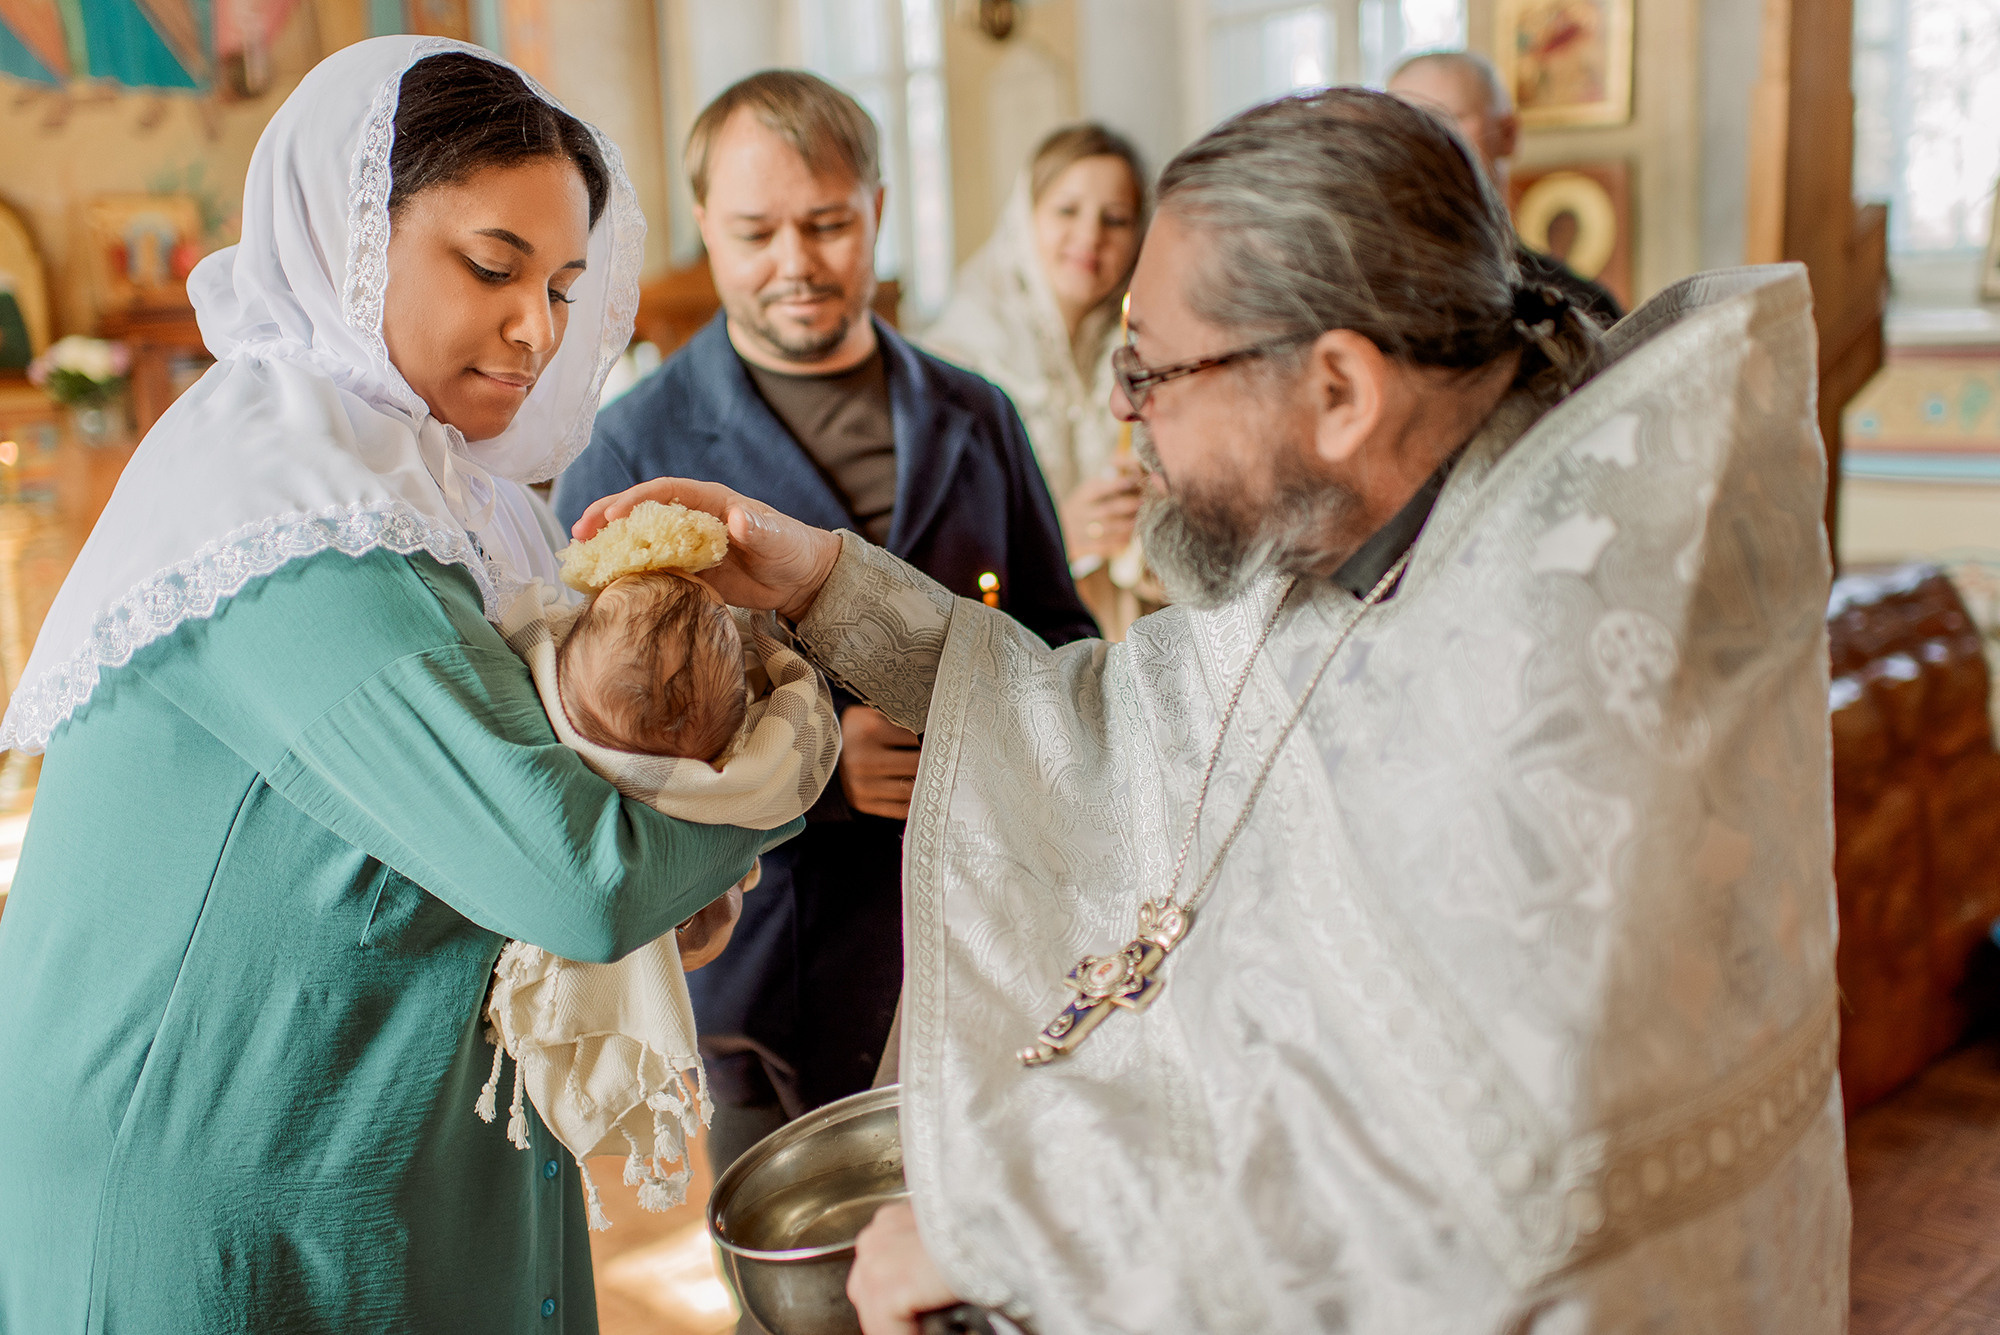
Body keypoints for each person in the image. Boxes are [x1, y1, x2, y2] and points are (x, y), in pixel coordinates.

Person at [577, 88, 1848, 1334]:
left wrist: (1004, 1234)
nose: (1122, 412)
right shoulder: (1390, 535)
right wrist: (821, 581)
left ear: (1339, 390)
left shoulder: (1561, 668)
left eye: (1154, 369)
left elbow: (1454, 1184)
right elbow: (1113, 716)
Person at [0, 40, 792, 1333]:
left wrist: (675, 872)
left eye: (562, 286)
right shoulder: (280, 508)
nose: (538, 328)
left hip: (398, 1150)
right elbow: (577, 875)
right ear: (350, 240)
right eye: (491, 267)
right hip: (222, 1196)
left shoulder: (454, 502)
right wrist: (797, 741)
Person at [553, 70, 1095, 1176]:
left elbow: (1064, 638)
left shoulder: (975, 413)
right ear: (705, 224)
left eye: (829, 224)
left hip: (987, 935)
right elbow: (599, 746)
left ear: (878, 212)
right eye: (756, 232)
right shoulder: (629, 448)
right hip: (772, 967)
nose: (795, 262)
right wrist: (815, 765)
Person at [922, 124, 1153, 637]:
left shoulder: (1148, 347)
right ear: (1025, 219)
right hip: (1016, 637)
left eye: (1115, 218)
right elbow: (943, 557)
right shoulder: (961, 358)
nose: (1090, 237)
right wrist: (1054, 538)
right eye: (1067, 211)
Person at [1389, 49, 1625, 327]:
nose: (1425, 143)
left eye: (1449, 119)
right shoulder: (1369, 291)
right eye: (1403, 127)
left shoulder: (1580, 307)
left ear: (1508, 133)